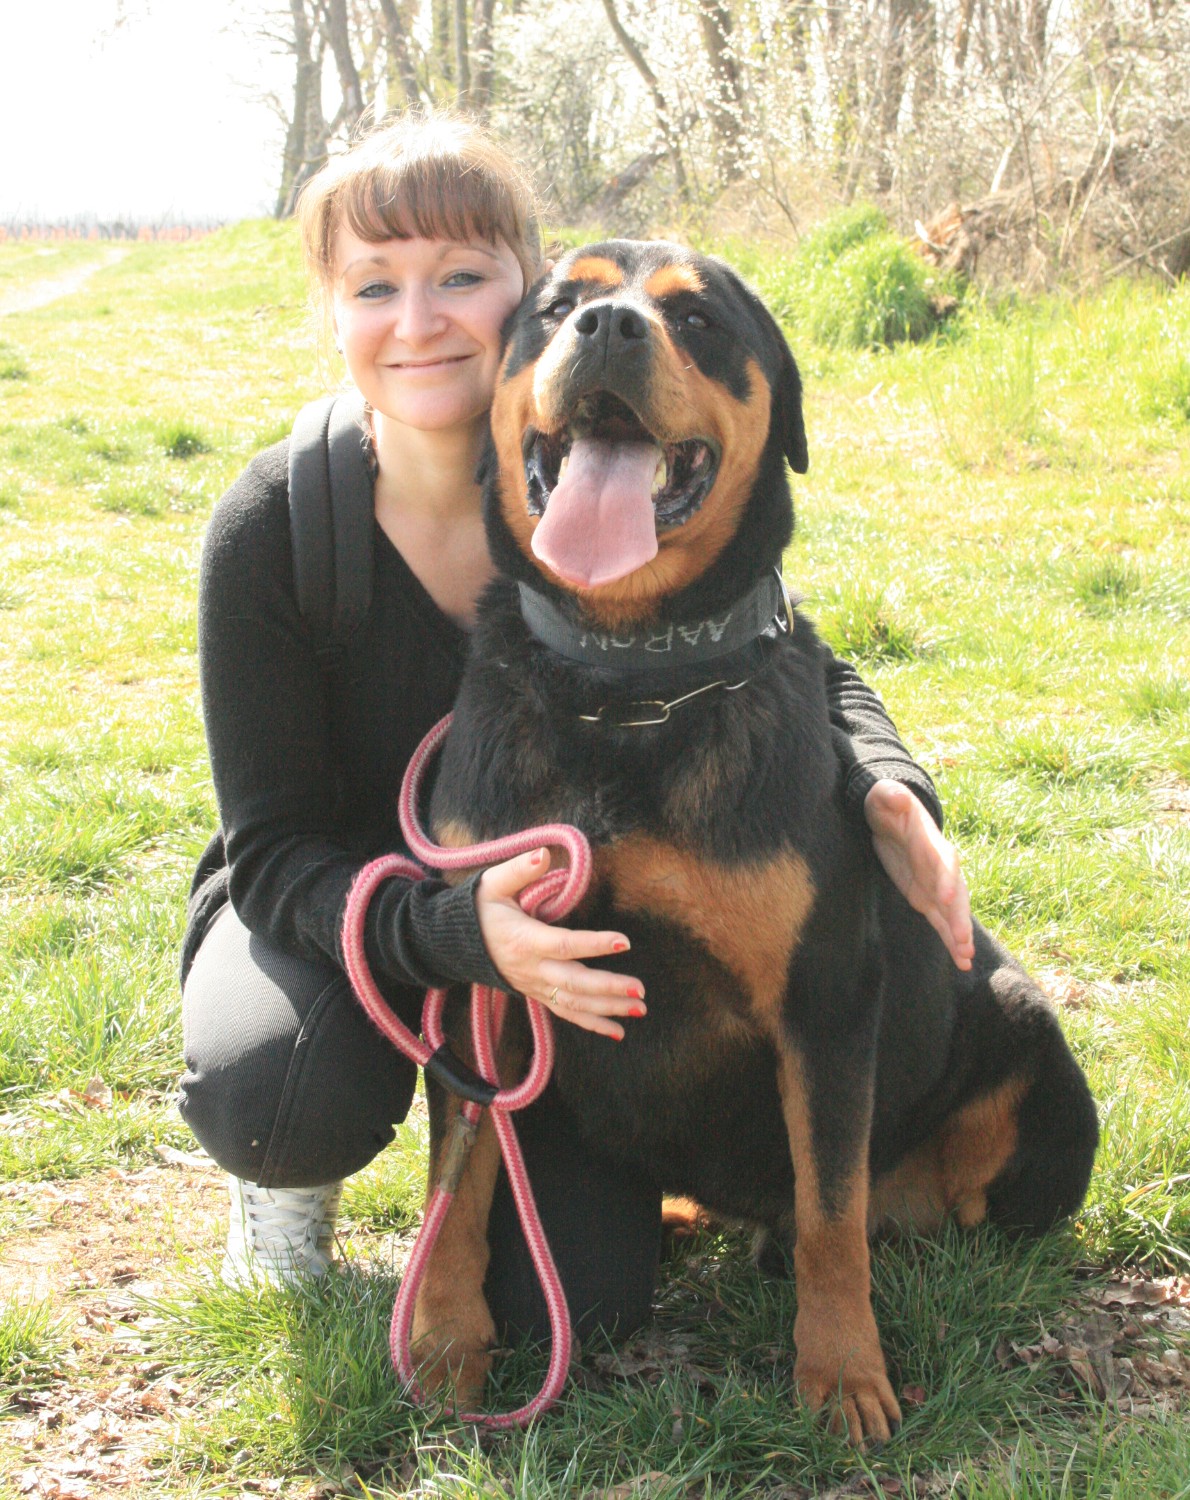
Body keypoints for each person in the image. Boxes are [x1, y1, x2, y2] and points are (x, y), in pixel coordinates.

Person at [178, 112, 974, 1339]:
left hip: (550, 964)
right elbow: (271, 850)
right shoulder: (276, 527)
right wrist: (454, 932)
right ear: (331, 311)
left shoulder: (652, 523)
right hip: (325, 904)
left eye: (461, 277)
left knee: (582, 1312)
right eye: (374, 285)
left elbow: (783, 650)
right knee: (279, 1089)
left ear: (514, 293)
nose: (418, 316)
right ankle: (282, 1191)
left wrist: (886, 781)